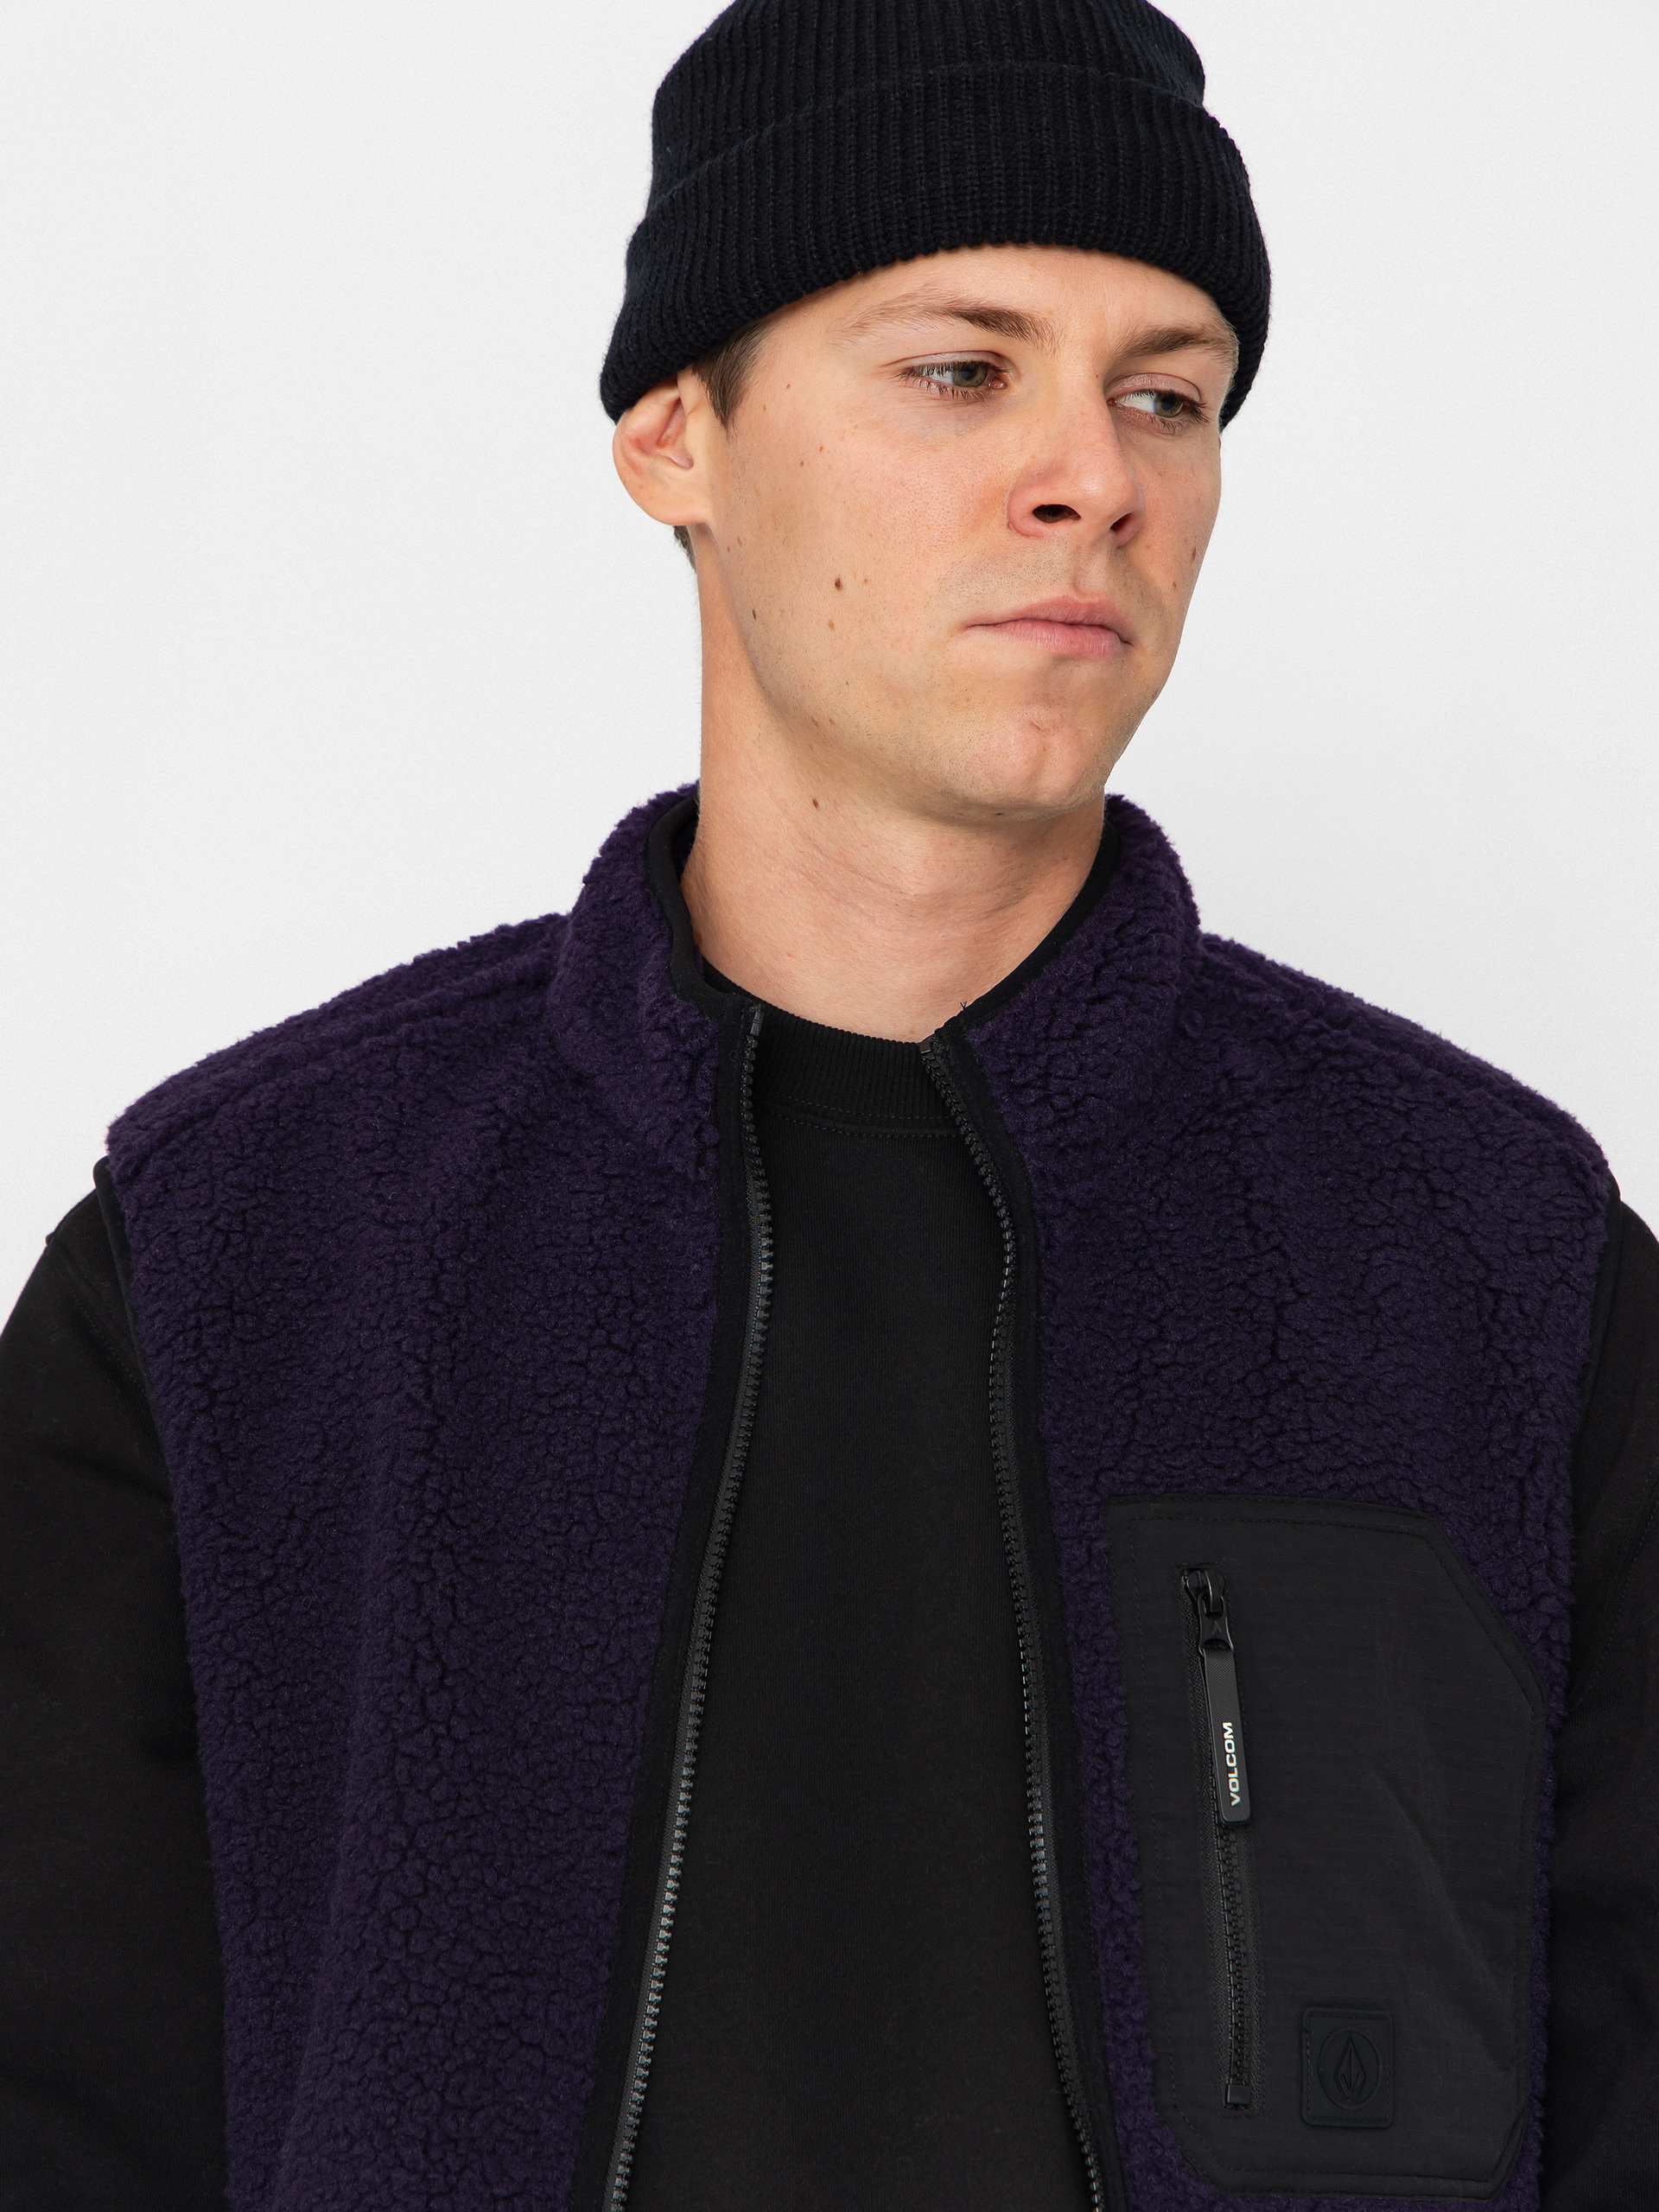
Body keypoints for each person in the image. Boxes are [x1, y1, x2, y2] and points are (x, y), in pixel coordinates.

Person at [2, 0, 1654, 2206]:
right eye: (961, 368)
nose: (1096, 475)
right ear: (673, 432)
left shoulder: (1500, 1273)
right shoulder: (242, 1261)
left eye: (1167, 392)